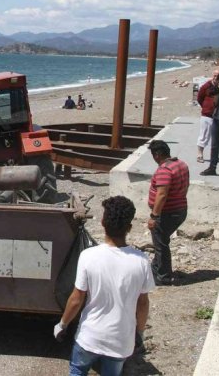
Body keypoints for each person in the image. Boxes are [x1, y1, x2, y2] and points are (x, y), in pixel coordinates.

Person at [54, 196, 154, 376]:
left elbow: (76, 299)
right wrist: (139, 331)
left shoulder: (88, 256)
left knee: (77, 371)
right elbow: (143, 303)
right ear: (129, 228)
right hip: (120, 342)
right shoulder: (141, 261)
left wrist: (62, 324)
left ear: (102, 223)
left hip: (89, 337)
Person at [147, 140, 189, 286]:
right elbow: (186, 186)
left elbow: (162, 194)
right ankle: (156, 267)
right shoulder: (181, 164)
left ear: (157, 154)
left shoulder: (164, 170)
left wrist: (154, 216)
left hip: (167, 213)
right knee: (162, 240)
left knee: (161, 243)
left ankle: (163, 276)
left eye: (153, 155)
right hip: (180, 209)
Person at [196, 69, 219, 163]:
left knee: (218, 137)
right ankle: (200, 154)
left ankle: (214, 155)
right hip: (207, 115)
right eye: (214, 75)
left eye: (218, 76)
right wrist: (206, 107)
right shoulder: (206, 86)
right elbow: (199, 98)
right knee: (204, 135)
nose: (216, 77)